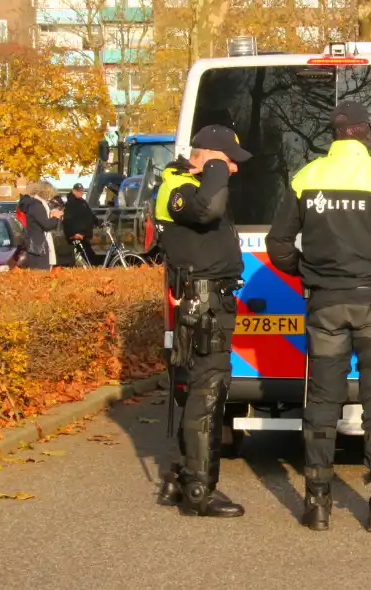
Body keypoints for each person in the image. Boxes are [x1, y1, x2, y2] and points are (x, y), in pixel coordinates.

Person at [266, 101, 371, 532]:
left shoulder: (307, 177)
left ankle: (316, 505)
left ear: (335, 135)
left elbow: (278, 243)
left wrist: (306, 272)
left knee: (322, 403)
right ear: (367, 134)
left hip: (324, 305)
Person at [154, 125, 251, 518]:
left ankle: (184, 474)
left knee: (206, 390)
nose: (234, 170)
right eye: (230, 162)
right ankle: (199, 489)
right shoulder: (176, 189)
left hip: (211, 303)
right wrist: (213, 168)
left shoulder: (189, 186)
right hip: (202, 305)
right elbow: (207, 208)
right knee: (206, 394)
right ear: (210, 157)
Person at [18, 183, 62, 270]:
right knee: (41, 273)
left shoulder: (33, 204)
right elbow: (46, 225)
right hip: (38, 245)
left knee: (39, 272)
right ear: (46, 193)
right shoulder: (37, 205)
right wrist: (55, 217)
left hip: (34, 244)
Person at [63, 183, 100, 266]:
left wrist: (97, 222)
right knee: (86, 257)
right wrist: (73, 234)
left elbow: (90, 214)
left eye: (82, 191)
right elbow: (67, 221)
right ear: (73, 191)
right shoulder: (70, 204)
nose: (81, 193)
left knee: (89, 256)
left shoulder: (83, 202)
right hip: (77, 236)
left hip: (84, 235)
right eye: (78, 191)